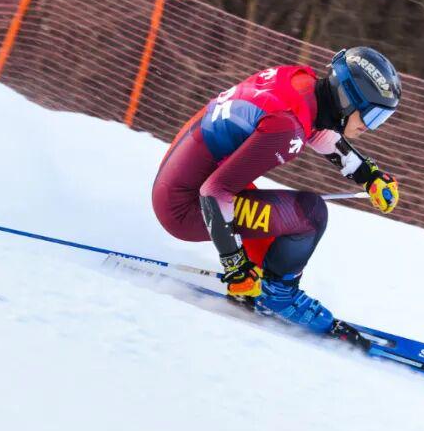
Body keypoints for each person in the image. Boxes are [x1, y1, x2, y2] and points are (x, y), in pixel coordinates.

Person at [151, 47, 401, 346]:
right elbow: (214, 191)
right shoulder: (286, 128)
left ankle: (262, 283)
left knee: (275, 236)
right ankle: (278, 298)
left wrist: (368, 176)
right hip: (186, 207)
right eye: (372, 115)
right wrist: (235, 267)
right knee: (309, 215)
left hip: (182, 179)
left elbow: (316, 129)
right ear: (347, 100)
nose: (369, 127)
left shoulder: (301, 81)